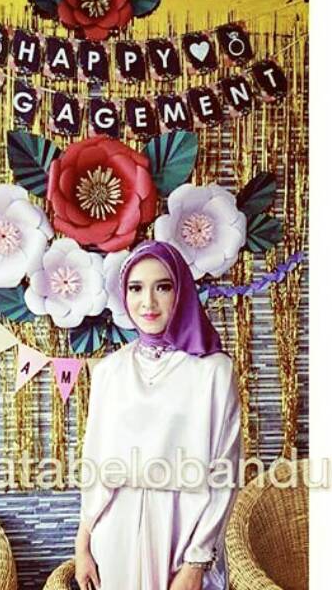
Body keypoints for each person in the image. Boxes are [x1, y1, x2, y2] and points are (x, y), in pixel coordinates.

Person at [74, 241, 242, 590]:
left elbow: (224, 472)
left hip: (183, 530)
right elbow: (94, 463)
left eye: (162, 287)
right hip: (114, 530)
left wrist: (197, 562)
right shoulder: (109, 371)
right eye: (136, 288)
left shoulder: (213, 371)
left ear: (181, 292)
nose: (147, 302)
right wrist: (83, 543)